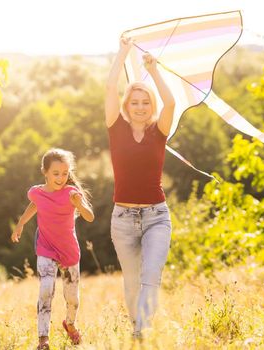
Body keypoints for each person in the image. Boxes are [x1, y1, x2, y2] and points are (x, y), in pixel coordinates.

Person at [105, 36, 175, 339]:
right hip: (122, 219)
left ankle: (141, 329)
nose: (140, 107)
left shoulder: (159, 131)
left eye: (146, 103)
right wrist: (122, 53)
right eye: (134, 102)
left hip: (157, 216)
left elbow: (170, 102)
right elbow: (109, 88)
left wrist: (153, 69)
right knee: (132, 280)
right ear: (126, 105)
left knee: (150, 276)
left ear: (151, 106)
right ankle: (138, 326)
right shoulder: (115, 128)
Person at [11, 148, 94, 350]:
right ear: (45, 172)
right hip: (46, 248)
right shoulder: (37, 192)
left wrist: (80, 205)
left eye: (65, 174)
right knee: (46, 289)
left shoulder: (71, 193)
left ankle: (71, 324)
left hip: (69, 252)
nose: (61, 178)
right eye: (56, 173)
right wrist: (21, 224)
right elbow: (34, 205)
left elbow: (90, 216)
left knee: (72, 297)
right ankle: (43, 339)